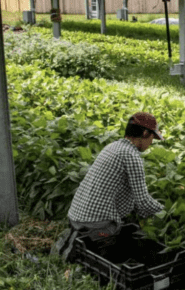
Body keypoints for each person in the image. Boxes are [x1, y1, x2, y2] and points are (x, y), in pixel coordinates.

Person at [53, 112, 165, 261]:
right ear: (145, 133)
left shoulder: (112, 147)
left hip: (75, 218)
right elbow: (143, 201)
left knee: (128, 223)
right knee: (126, 238)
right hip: (96, 225)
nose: (151, 143)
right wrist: (167, 214)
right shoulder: (131, 156)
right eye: (152, 138)